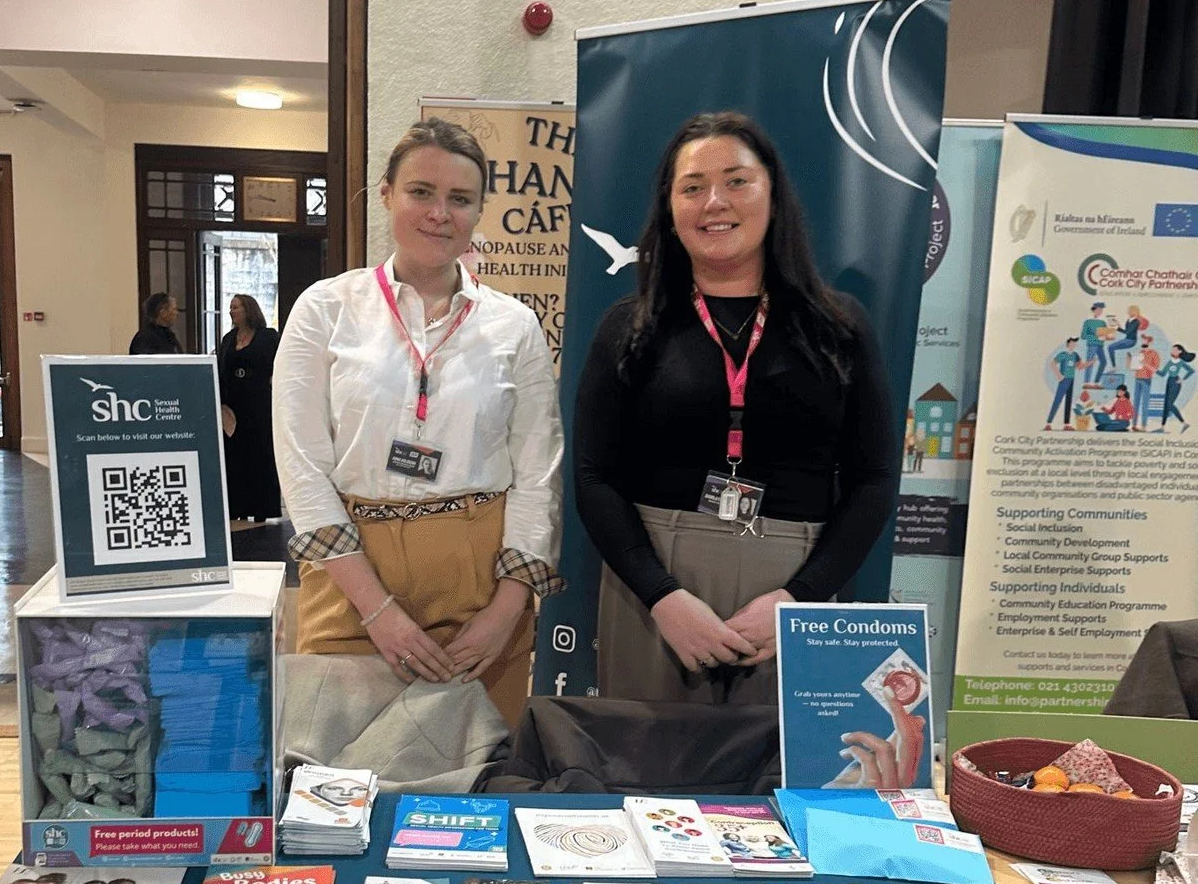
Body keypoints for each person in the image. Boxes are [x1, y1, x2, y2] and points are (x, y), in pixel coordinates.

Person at [572, 110, 898, 707]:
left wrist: (799, 599)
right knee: (649, 775)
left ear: (773, 194)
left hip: (790, 593)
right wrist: (663, 597)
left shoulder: (839, 327)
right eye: (692, 187)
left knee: (770, 784)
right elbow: (594, 476)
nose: (714, 201)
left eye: (737, 180)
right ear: (669, 209)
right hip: (655, 593)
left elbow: (874, 479)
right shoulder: (629, 328)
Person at [272, 118, 563, 727]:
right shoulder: (325, 310)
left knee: (473, 781)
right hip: (351, 576)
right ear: (385, 193)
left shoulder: (513, 327)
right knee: (340, 782)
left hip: (478, 582)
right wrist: (378, 612)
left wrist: (509, 608)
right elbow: (301, 469)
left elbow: (540, 472)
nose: (440, 213)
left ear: (479, 211)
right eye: (421, 192)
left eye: (460, 199)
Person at [217, 294, 282, 525]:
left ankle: (261, 507)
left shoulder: (268, 337)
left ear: (248, 310)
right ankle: (238, 506)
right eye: (230, 308)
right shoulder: (228, 339)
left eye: (236, 307)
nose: (231, 311)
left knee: (260, 454)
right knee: (235, 456)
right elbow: (222, 370)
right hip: (234, 404)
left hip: (259, 403)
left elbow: (280, 365)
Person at [1045, 339, 1081, 430]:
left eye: (1074, 343)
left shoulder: (1075, 355)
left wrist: (1090, 362)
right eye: (1072, 343)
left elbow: (1078, 366)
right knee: (1057, 400)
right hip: (1064, 379)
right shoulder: (1063, 355)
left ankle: (1066, 424)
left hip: (1072, 379)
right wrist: (1059, 375)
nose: (1073, 344)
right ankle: (1049, 423)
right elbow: (1053, 363)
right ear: (1068, 344)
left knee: (1068, 401)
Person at [1160, 347, 1194, 432]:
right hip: (1169, 381)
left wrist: (1182, 379)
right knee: (1166, 405)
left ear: (1180, 351)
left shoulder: (1181, 362)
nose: (1172, 351)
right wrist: (1152, 368)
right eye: (1172, 349)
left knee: (1169, 404)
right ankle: (1162, 427)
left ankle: (1184, 423)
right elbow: (1163, 374)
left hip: (1176, 382)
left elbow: (1191, 371)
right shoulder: (1170, 362)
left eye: (1174, 350)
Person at [1132, 334, 1161, 430]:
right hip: (1137, 378)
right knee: (1135, 402)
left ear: (1150, 342)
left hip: (1147, 379)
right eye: (1143, 340)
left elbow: (1155, 370)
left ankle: (1143, 426)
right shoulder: (1140, 352)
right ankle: (1134, 425)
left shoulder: (1154, 354)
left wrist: (1145, 364)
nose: (1143, 342)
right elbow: (1136, 366)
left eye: (1145, 341)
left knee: (1145, 403)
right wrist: (1133, 364)